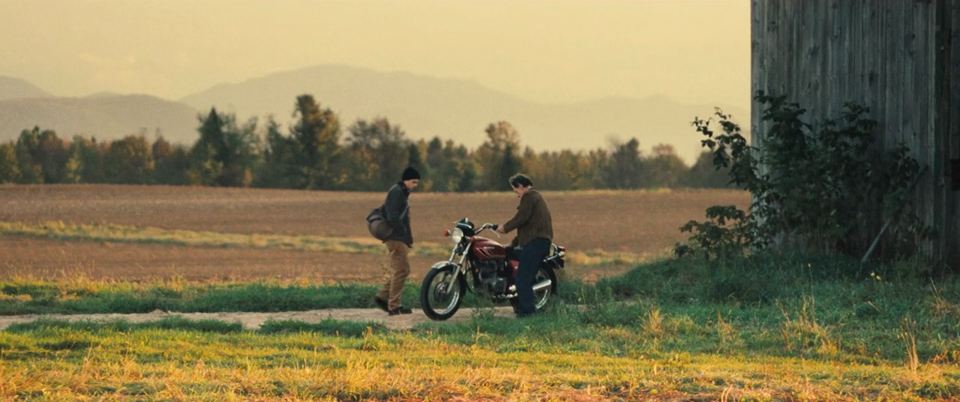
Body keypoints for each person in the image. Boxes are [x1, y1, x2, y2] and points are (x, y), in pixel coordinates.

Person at [497, 173, 553, 317]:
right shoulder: (536, 198)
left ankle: (528, 314)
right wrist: (511, 244)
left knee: (523, 280)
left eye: (516, 191)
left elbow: (521, 218)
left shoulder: (529, 197)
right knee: (507, 254)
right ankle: (516, 302)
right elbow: (528, 228)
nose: (516, 195)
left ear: (521, 187)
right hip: (536, 242)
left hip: (536, 244)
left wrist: (505, 228)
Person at [374, 166, 420, 315]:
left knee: (399, 270)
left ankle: (382, 297)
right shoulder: (397, 192)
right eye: (413, 182)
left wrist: (408, 238)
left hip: (398, 237)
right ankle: (394, 306)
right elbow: (392, 215)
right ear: (406, 180)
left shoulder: (401, 191)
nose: (415, 185)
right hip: (395, 237)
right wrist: (401, 231)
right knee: (402, 270)